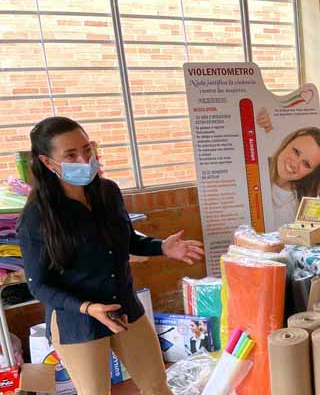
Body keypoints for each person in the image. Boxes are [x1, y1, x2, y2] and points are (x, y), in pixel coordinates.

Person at [18, 116, 204, 395]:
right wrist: (89, 308)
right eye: (70, 154)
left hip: (124, 307)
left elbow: (128, 240)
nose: (83, 159)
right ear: (47, 162)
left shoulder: (108, 192)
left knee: (156, 385)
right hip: (77, 320)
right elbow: (39, 285)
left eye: (87, 149)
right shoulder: (37, 216)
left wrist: (161, 247)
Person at [256, 109, 320, 228]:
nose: (295, 164)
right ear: (286, 142)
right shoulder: (254, 173)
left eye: (306, 164)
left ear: (311, 173)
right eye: (296, 151)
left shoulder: (304, 205)